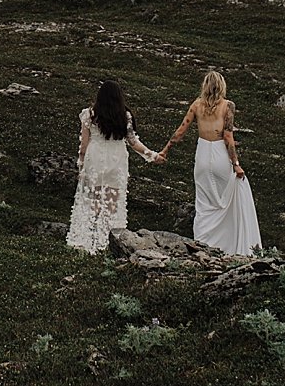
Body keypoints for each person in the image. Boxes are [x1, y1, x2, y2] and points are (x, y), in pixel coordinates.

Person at [159, 70, 262, 255]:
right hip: (220, 156)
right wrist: (236, 163)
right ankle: (229, 246)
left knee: (204, 203)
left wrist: (166, 149)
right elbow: (228, 137)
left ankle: (203, 243)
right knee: (225, 201)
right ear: (222, 86)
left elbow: (181, 130)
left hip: (202, 155)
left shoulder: (197, 105)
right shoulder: (228, 106)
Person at [66, 80, 165, 254]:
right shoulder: (124, 116)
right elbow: (133, 142)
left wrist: (80, 166)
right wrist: (152, 155)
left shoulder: (89, 115)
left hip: (94, 159)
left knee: (93, 200)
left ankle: (90, 239)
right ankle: (108, 240)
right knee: (112, 200)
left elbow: (83, 146)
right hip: (116, 160)